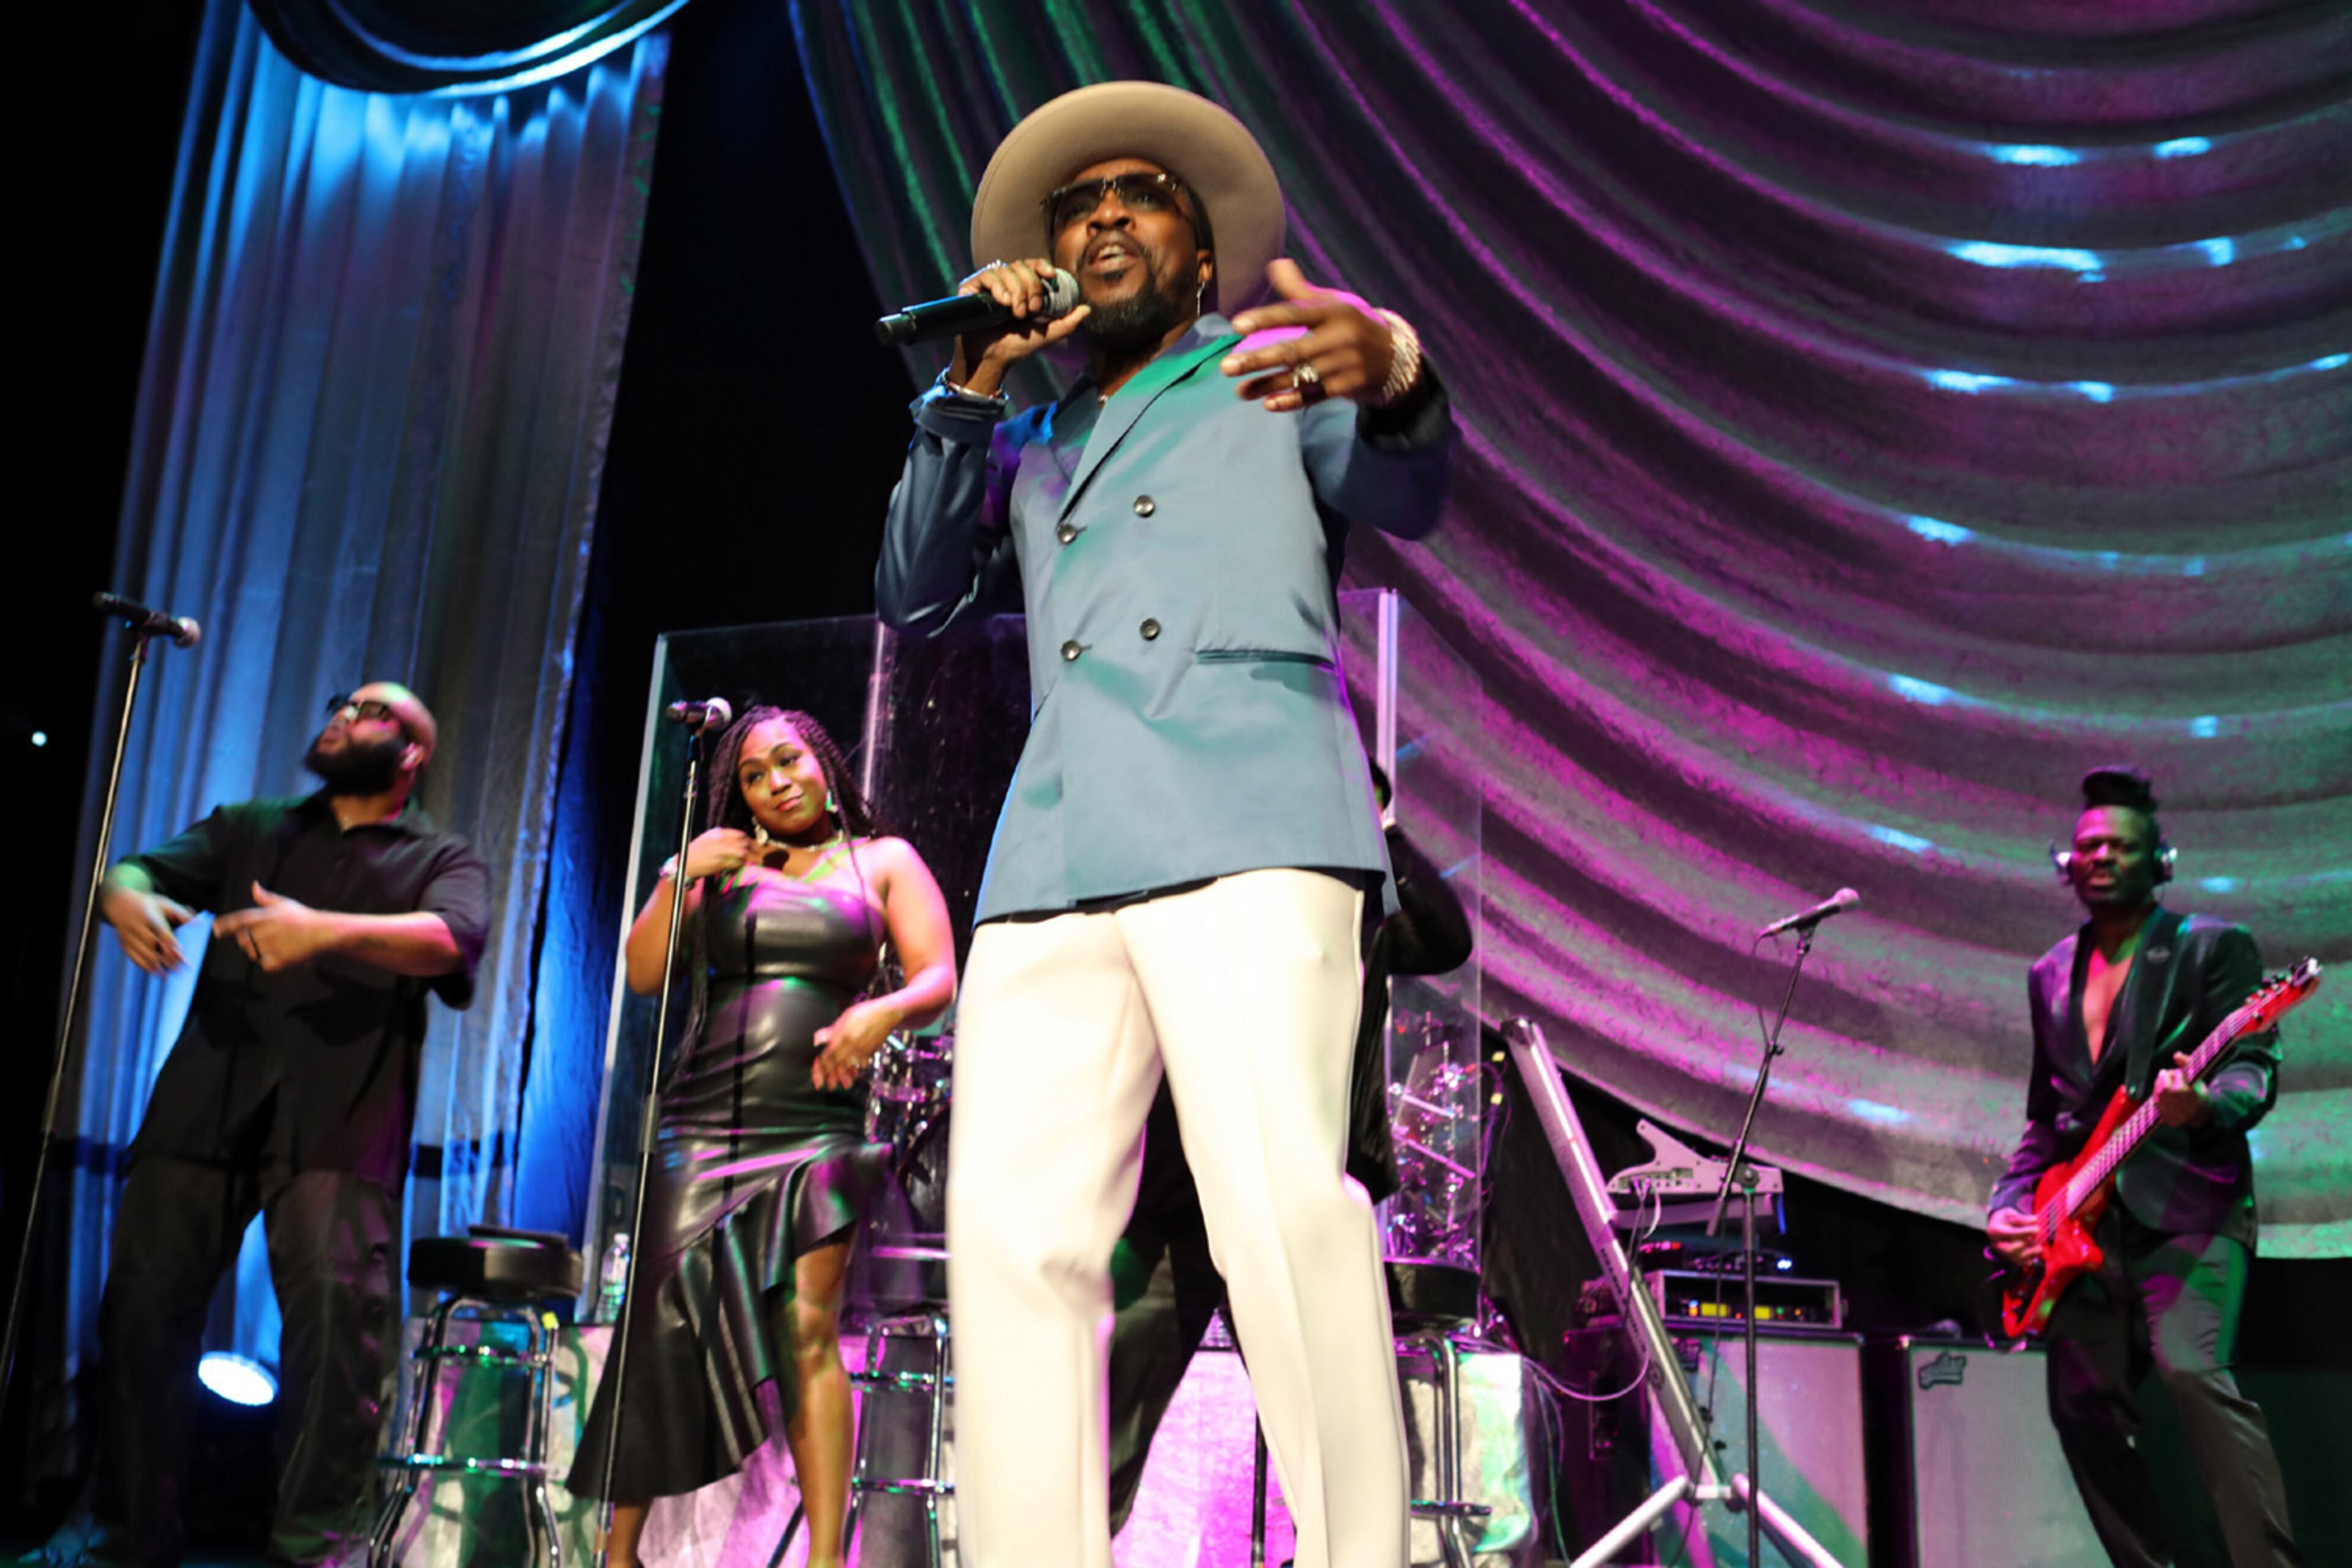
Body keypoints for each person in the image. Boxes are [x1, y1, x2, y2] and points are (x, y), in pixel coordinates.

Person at [875, 80, 1454, 1568]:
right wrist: (966, 386)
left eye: (1141, 197)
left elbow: (1405, 477)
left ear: (1199, 260)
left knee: (1277, 1209)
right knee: (1011, 1242)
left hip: (1250, 816)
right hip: (1057, 847)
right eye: (1080, 204)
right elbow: (917, 593)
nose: (1105, 215)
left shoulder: (1266, 372)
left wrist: (1385, 362)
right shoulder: (1036, 426)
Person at [80, 683, 491, 1568]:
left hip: (340, 1128)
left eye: (376, 712)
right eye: (343, 701)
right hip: (205, 1105)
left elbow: (453, 942)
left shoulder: (439, 856)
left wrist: (323, 933)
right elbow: (138, 871)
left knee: (338, 1351)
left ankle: (314, 1551)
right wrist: (123, 895)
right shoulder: (252, 824)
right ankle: (126, 1542)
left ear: (412, 754)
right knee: (142, 1323)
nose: (345, 712)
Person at [570, 706, 954, 1568]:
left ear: (823, 763)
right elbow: (639, 974)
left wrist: (879, 1013)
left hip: (816, 1123)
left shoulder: (881, 860)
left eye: (790, 762)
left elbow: (937, 974)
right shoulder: (723, 866)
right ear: (735, 791)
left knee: (807, 1327)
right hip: (704, 1119)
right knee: (658, 1320)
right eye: (753, 774)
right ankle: (615, 1554)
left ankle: (826, 1560)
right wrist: (678, 872)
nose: (777, 782)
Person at [1106, 768, 1472, 1531]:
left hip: (1298, 1192)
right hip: (1176, 1192)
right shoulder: (1195, 879)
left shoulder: (1347, 902)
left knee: (1330, 1435)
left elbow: (1444, 935)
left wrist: (1378, 826)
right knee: (1105, 1423)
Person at [1987, 766, 2301, 1568]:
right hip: (2085, 1232)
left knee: (2193, 1372)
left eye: (2121, 847)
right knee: (2079, 1404)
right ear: (2069, 862)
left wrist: (2203, 1107)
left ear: (2158, 860)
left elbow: (2251, 1071)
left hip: (2191, 1211)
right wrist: (2009, 1207)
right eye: (2088, 846)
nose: (2101, 858)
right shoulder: (2049, 972)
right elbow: (2044, 1120)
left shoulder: (2210, 948)